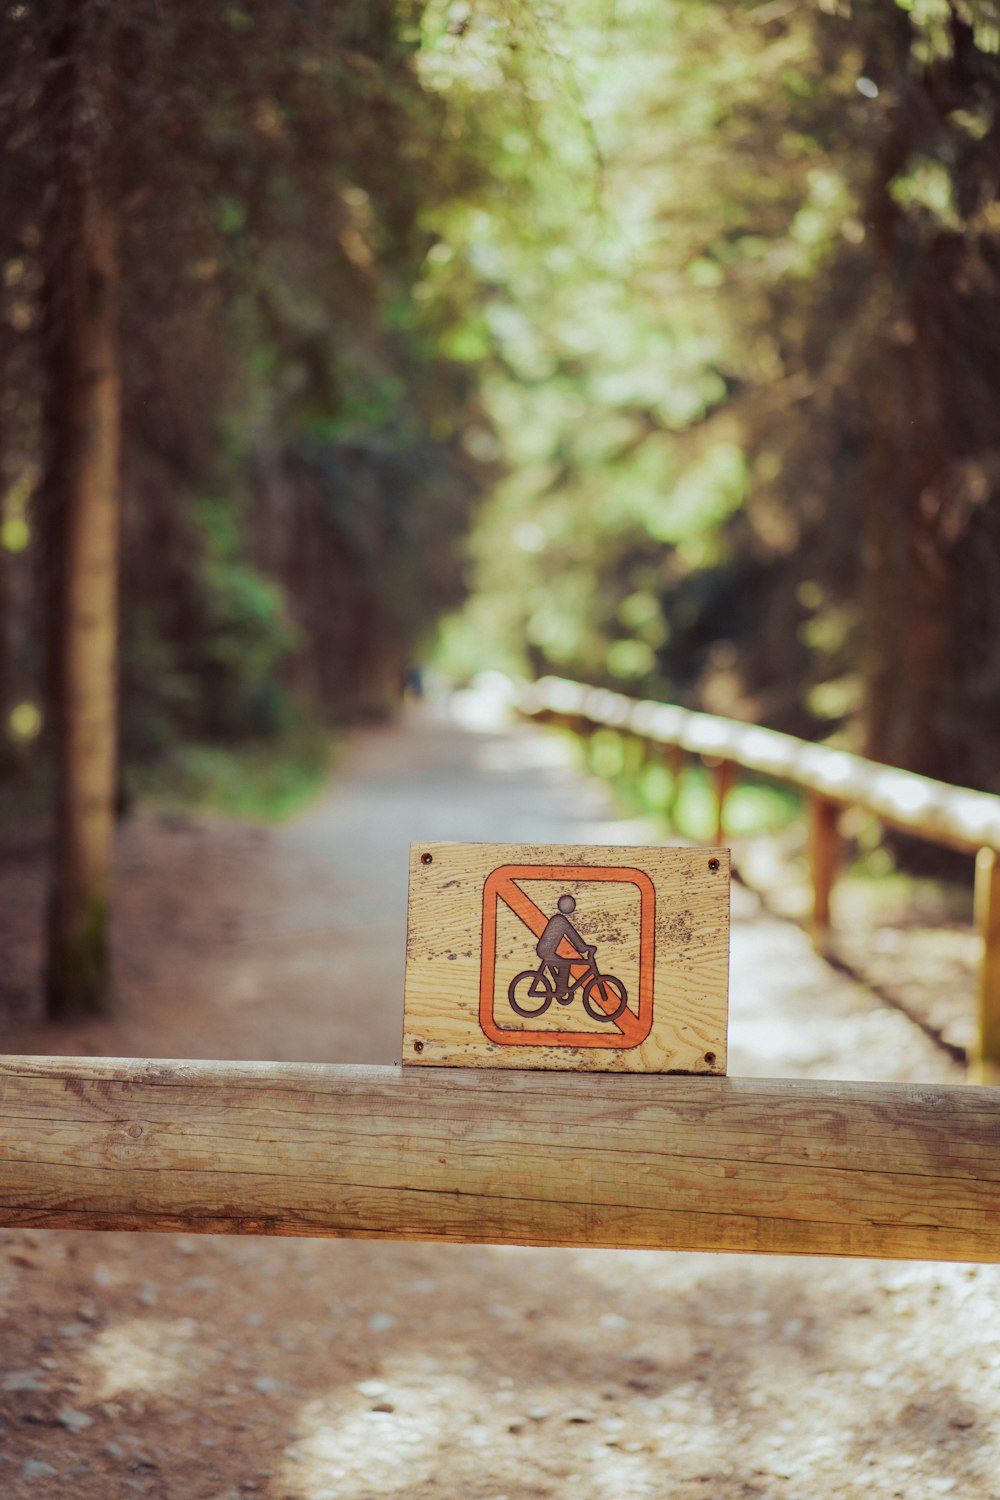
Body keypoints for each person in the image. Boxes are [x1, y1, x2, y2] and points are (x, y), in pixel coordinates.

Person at [536, 894, 593, 1001]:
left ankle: (561, 991)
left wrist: (582, 947)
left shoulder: (558, 919)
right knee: (564, 965)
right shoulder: (560, 921)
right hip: (546, 951)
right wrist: (583, 948)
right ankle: (560, 992)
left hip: (546, 950)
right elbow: (572, 935)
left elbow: (571, 935)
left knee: (564, 963)